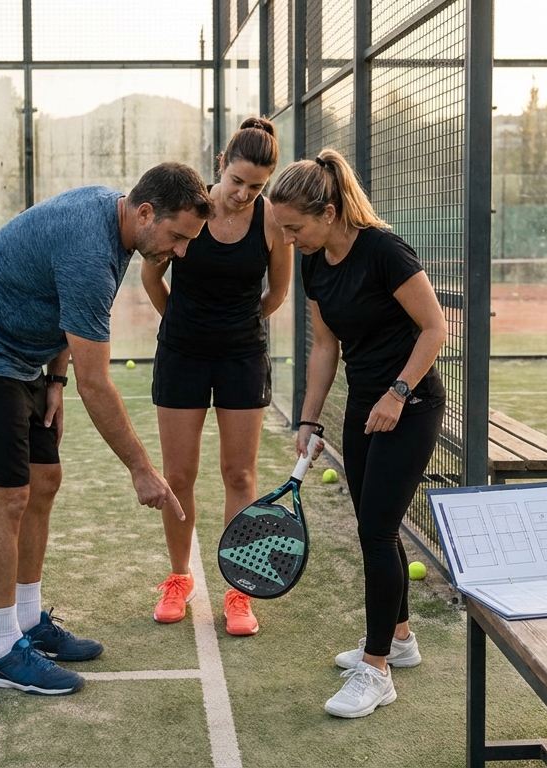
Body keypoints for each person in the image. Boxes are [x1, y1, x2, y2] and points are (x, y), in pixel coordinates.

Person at [0, 163, 214, 697]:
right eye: (177, 237)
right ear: (146, 212)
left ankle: (31, 621)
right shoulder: (91, 248)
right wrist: (143, 471)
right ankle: (4, 650)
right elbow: (98, 383)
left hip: (23, 359)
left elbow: (68, 318)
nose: (180, 253)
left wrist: (53, 378)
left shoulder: (119, 223)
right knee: (8, 496)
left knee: (45, 480)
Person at [267, 149, 448, 718]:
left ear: (326, 211)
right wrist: (308, 417)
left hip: (410, 404)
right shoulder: (316, 261)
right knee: (377, 524)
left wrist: (398, 393)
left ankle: (377, 671)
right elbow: (326, 346)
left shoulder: (384, 251)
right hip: (365, 407)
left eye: (295, 228)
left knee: (374, 531)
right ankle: (400, 640)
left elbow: (435, 327)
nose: (289, 239)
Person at [141, 117, 292, 636]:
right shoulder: (193, 209)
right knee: (177, 476)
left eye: (257, 186)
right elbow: (150, 273)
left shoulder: (271, 220)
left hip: (242, 358)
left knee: (239, 476)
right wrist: (181, 323)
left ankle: (238, 587)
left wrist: (238, 328)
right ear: (220, 166)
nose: (244, 193)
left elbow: (277, 293)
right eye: (237, 181)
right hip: (182, 354)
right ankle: (179, 577)